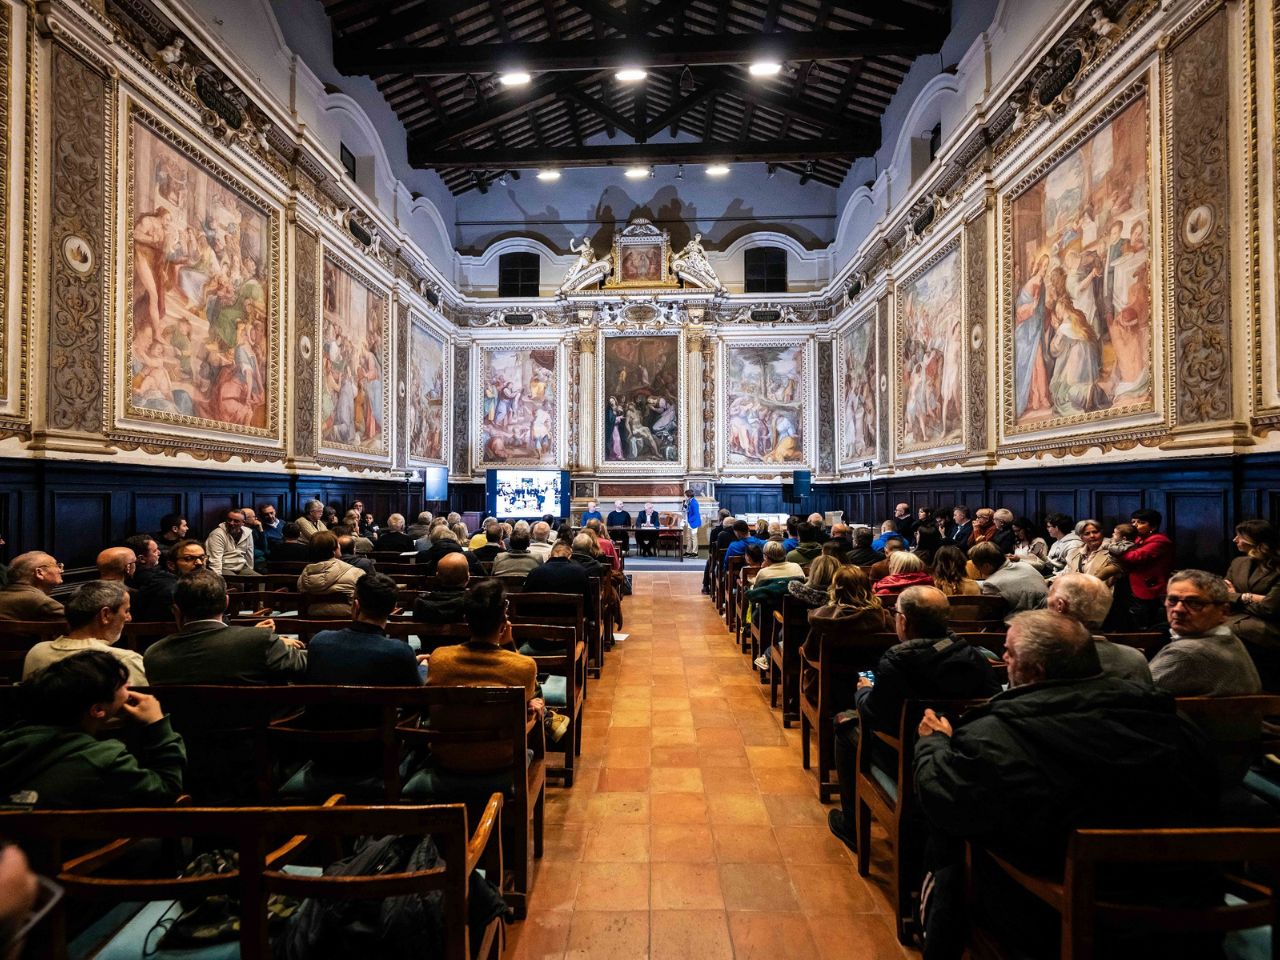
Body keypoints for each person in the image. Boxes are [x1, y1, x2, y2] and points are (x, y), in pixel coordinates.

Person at [914, 610, 1213, 960]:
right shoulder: (1173, 720)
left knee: (950, 854)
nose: (1003, 658)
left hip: (1054, 913)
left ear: (1035, 671)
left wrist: (934, 744)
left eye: (1009, 652)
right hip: (1185, 910)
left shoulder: (996, 736)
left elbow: (948, 802)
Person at [827, 585, 1000, 853]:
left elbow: (874, 715)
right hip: (959, 752)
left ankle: (851, 825)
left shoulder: (898, 661)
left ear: (904, 621)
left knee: (845, 724)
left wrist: (862, 692)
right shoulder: (971, 653)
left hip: (902, 753)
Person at [0, 651, 186, 808]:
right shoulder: (102, 759)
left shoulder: (10, 740)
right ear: (98, 710)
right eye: (122, 685)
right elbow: (166, 791)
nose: (129, 688)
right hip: (70, 850)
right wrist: (157, 724)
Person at [300, 573, 420, 784]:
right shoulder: (398, 652)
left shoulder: (320, 641)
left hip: (321, 753)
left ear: (355, 606)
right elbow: (417, 704)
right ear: (393, 609)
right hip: (375, 756)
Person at [425, 580, 542, 772]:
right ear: (504, 625)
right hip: (503, 758)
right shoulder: (523, 666)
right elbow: (535, 695)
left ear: (465, 619)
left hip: (447, 758)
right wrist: (509, 646)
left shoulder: (439, 658)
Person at [144, 570, 306, 683]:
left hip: (184, 731)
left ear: (176, 610)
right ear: (227, 602)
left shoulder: (154, 655)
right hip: (260, 728)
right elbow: (303, 664)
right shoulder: (259, 640)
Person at [1149, 569, 1262, 696]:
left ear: (1224, 612)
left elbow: (1133, 695)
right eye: (1172, 600)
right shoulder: (1227, 638)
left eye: (1194, 603)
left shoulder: (1185, 653)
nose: (1178, 609)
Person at [23, 580, 146, 686]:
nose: (129, 618)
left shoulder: (36, 652)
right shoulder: (125, 661)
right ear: (105, 615)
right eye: (126, 611)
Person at [1047, 572, 1151, 685]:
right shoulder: (1135, 660)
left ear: (1060, 606)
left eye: (1050, 593)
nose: (1046, 599)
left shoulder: (1043, 658)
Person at [1224, 519, 1280, 689]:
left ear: (1255, 541)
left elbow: (1270, 608)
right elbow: (1223, 594)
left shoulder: (1277, 567)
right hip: (1234, 618)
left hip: (1268, 627)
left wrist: (1236, 597)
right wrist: (1249, 597)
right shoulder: (1238, 563)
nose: (1235, 540)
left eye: (1239, 536)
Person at [1109, 508, 1175, 630]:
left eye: (1140, 522)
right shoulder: (1138, 538)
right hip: (1130, 586)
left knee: (1144, 623)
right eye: (1133, 522)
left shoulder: (1160, 541)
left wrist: (1114, 550)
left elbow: (1134, 557)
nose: (1134, 525)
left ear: (1153, 526)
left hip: (1148, 588)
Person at [297, 531, 365, 618]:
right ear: (333, 551)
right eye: (338, 544)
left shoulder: (302, 577)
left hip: (313, 626)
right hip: (348, 624)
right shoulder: (356, 573)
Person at [968, 541, 1047, 616]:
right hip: (1049, 615)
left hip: (1025, 624)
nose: (975, 568)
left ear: (986, 566)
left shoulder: (991, 584)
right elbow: (1010, 581)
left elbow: (988, 617)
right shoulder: (1025, 565)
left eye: (976, 565)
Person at [413, 551, 472, 630]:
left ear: (437, 576)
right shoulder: (473, 604)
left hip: (430, 642)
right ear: (468, 577)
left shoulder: (420, 604)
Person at [0, 552, 65, 622]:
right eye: (56, 566)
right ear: (39, 573)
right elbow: (75, 629)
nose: (61, 570)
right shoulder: (45, 604)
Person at [1062, 518, 1122, 585]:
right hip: (1077, 591)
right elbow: (1065, 573)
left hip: (1101, 592)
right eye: (1087, 534)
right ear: (1081, 537)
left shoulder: (1115, 551)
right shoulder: (1075, 553)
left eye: (1095, 532)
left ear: (1102, 533)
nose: (1092, 536)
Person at [205, 508, 258, 576]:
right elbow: (215, 559)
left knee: (260, 581)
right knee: (238, 584)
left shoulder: (248, 532)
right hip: (224, 567)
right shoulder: (217, 534)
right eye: (229, 520)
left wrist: (250, 570)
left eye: (236, 521)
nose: (231, 523)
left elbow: (249, 554)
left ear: (243, 523)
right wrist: (218, 578)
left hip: (241, 566)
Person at [415, 528, 484, 576]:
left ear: (433, 541)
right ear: (455, 540)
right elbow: (483, 576)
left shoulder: (423, 556)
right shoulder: (469, 556)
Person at [682, 490, 701, 558]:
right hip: (690, 522)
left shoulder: (694, 502)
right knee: (688, 537)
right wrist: (685, 507)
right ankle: (688, 552)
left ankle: (695, 553)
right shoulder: (689, 501)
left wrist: (689, 520)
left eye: (685, 495)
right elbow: (689, 510)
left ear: (688, 496)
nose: (684, 496)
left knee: (694, 538)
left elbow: (696, 514)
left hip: (694, 522)